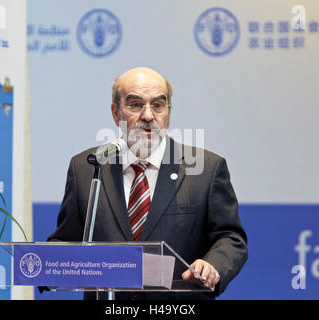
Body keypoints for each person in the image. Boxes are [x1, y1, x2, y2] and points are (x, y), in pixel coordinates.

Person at [47, 67, 248, 300]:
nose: (148, 116)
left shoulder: (205, 169)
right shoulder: (88, 167)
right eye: (135, 105)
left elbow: (231, 238)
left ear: (168, 111)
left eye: (158, 105)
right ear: (115, 112)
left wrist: (213, 265)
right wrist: (48, 261)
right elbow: (67, 239)